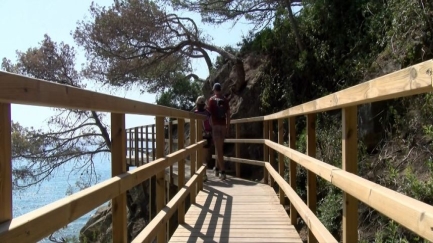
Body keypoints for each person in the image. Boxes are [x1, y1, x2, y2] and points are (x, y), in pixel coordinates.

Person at [208, 83, 230, 180]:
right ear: (220, 89)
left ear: (214, 90)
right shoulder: (225, 100)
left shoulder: (212, 100)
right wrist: (227, 127)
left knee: (219, 149)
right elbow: (228, 114)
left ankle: (223, 172)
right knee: (219, 147)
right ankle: (216, 168)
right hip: (223, 126)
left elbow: (209, 114)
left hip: (216, 126)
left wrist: (210, 126)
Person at [194, 95, 211, 182]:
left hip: (198, 136)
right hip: (207, 136)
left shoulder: (195, 113)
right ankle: (204, 175)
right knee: (204, 157)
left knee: (198, 156)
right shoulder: (208, 113)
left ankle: (199, 175)